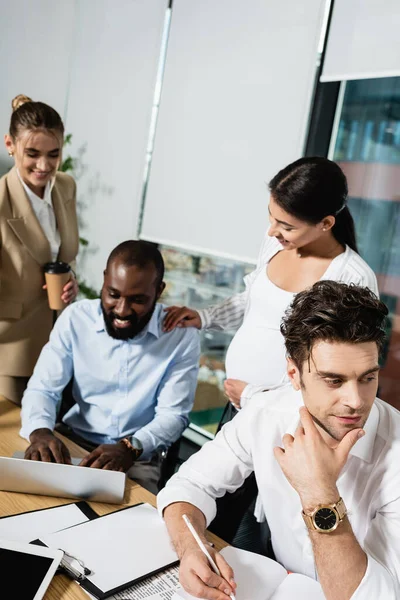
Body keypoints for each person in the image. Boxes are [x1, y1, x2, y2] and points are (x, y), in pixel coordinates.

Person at [158, 281, 400, 600]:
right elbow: (189, 484)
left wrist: (320, 494)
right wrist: (192, 547)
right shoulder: (265, 412)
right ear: (293, 373)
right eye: (334, 380)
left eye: (368, 377)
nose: (355, 400)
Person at [163, 157, 378, 411]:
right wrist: (205, 317)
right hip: (240, 406)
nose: (272, 231)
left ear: (326, 223)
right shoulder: (276, 244)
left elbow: (340, 371)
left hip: (285, 418)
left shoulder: (353, 277)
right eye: (271, 216)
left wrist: (258, 398)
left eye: (286, 226)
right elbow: (256, 302)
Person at [20, 240, 200, 493]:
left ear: (158, 291)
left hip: (137, 455)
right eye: (113, 294)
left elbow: (174, 415)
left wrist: (130, 447)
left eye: (137, 299)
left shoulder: (180, 337)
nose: (122, 310)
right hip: (72, 441)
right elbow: (43, 389)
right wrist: (39, 431)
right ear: (105, 280)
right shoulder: (75, 319)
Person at [0, 94, 79, 404]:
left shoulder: (66, 186)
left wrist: (69, 278)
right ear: (10, 144)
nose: (44, 166)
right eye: (32, 153)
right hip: (11, 349)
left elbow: (62, 253)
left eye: (54, 154)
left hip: (60, 343)